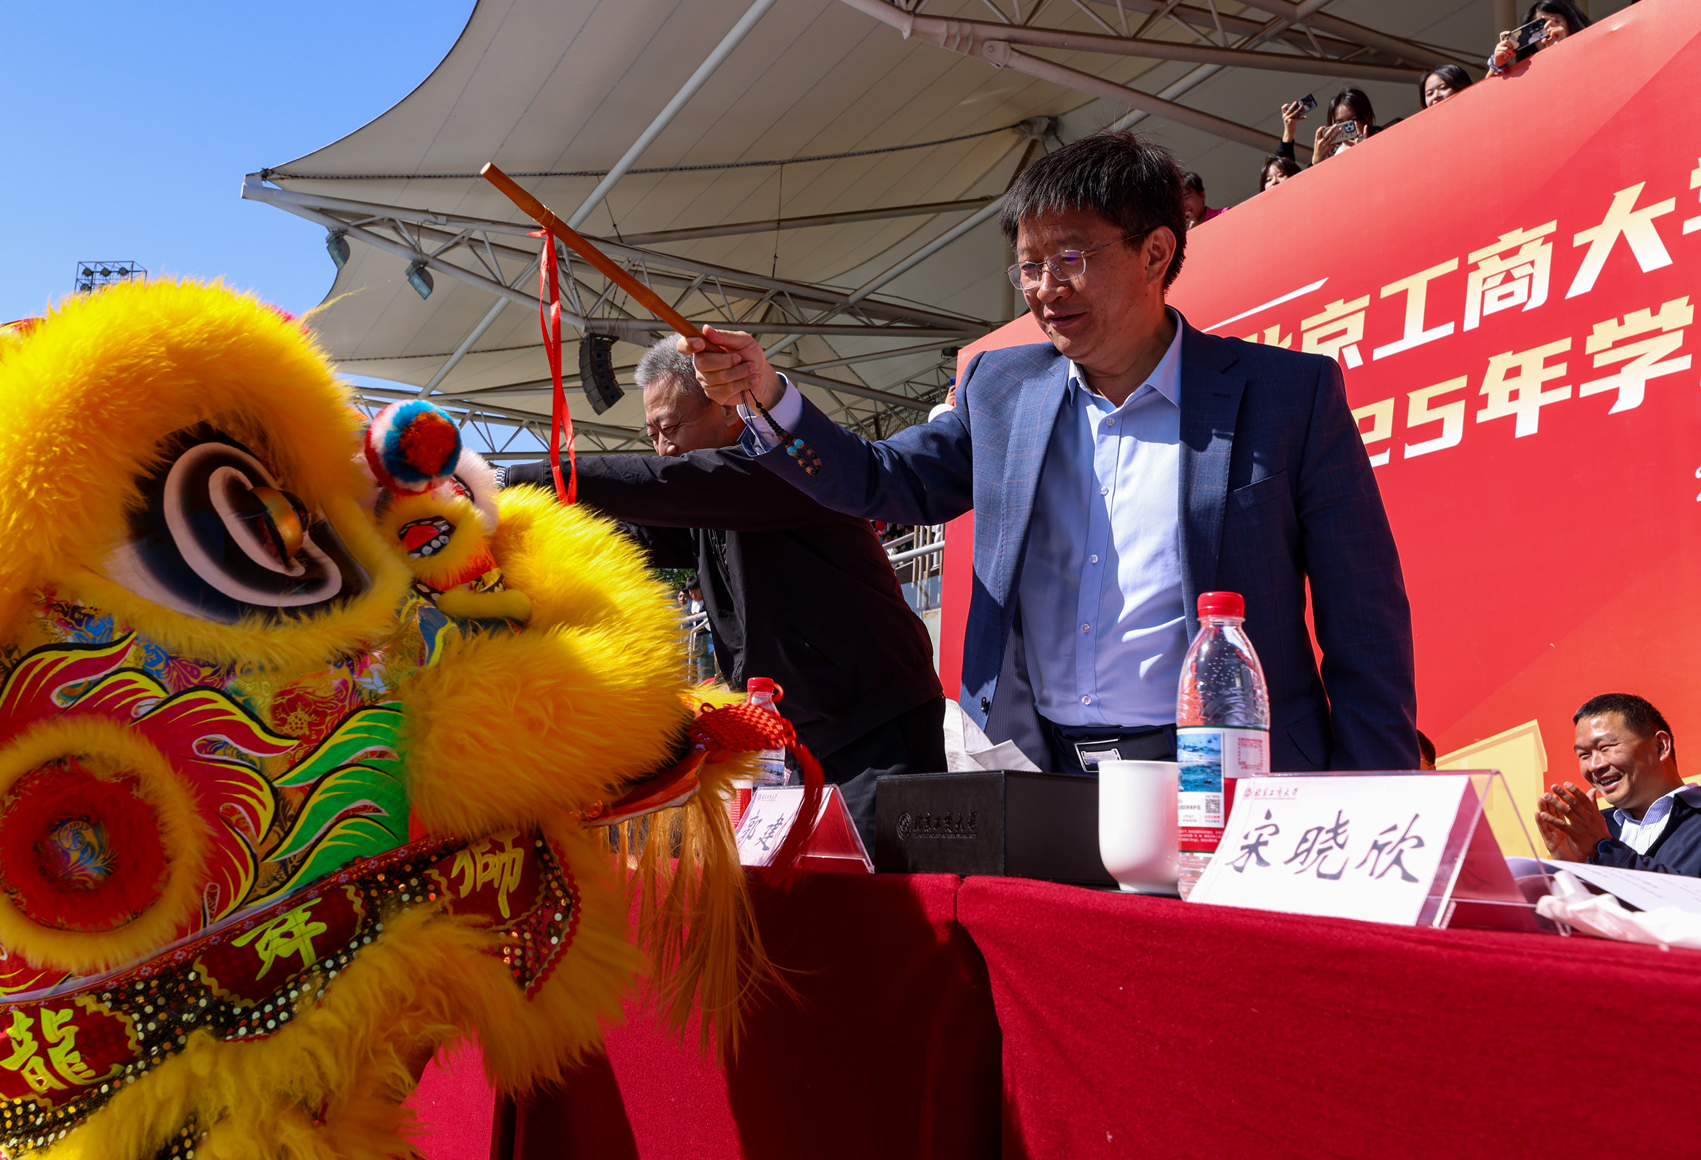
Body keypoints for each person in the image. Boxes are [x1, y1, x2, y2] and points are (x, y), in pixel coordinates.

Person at [685, 131, 1419, 774]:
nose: (1043, 290)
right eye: (1028, 267)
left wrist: (1374, 793)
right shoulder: (1004, 391)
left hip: (1232, 775)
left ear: (1155, 252)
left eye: (1069, 258)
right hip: (1048, 778)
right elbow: (882, 479)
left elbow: (1365, 620)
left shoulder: (1286, 396)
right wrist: (766, 394)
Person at [499, 337, 945, 845]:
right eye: (653, 435)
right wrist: (513, 528)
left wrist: (520, 480)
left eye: (671, 428)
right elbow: (621, 533)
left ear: (727, 409)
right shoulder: (707, 505)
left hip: (875, 726)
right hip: (791, 742)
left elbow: (664, 484)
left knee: (883, 882)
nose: (662, 449)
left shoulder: (786, 466)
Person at [1536, 693, 1699, 875]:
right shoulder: (1592, 830)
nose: (1594, 765)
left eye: (1605, 747)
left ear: (1660, 746)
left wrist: (1604, 848)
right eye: (1584, 755)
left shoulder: (1596, 837)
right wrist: (1573, 869)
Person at [1488, 0, 1591, 76]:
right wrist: (1497, 66)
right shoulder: (1529, 75)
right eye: (1537, 30)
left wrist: (1564, 47)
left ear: (1572, 21)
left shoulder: (1594, 47)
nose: (1547, 30)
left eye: (1555, 21)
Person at [1310, 87, 1376, 164]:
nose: (1346, 129)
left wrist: (1365, 150)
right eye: (1340, 124)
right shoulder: (1331, 157)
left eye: (1353, 120)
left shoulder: (1382, 141)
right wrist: (1317, 162)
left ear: (1368, 118)